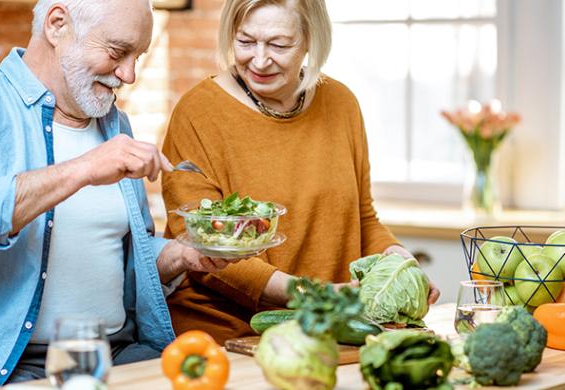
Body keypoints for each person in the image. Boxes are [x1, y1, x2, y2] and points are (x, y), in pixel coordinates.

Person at [0, 0, 231, 387]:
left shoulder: (115, 125)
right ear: (57, 25)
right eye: (117, 52)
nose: (129, 75)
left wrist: (181, 255)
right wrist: (84, 169)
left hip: (119, 357)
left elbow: (116, 254)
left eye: (137, 56)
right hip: (3, 370)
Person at [159, 0, 439, 342]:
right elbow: (203, 247)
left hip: (327, 328)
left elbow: (362, 218)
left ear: (310, 40)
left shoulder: (341, 104)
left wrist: (401, 262)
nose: (259, 60)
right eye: (245, 41)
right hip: (230, 335)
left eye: (278, 44)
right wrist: (311, 295)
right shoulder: (197, 113)